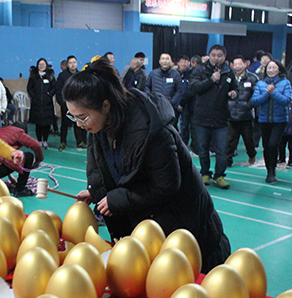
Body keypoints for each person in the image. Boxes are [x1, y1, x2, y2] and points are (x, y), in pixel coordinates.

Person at [62, 58, 231, 273]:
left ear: (105, 105)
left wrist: (118, 199)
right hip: (151, 232)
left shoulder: (152, 130)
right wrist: (98, 192)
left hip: (187, 234)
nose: (78, 124)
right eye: (73, 117)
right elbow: (120, 173)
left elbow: (166, 185)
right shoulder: (100, 128)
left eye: (82, 117)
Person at [189, 44, 238, 189]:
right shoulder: (199, 70)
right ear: (209, 56)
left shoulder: (228, 72)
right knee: (203, 148)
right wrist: (211, 80)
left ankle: (219, 176)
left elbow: (235, 87)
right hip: (201, 117)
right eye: (213, 55)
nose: (216, 58)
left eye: (219, 56)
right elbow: (194, 88)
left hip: (221, 118)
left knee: (222, 150)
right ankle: (205, 173)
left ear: (224, 57)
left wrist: (234, 93)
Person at [251, 59, 292, 183]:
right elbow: (255, 101)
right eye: (269, 68)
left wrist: (273, 93)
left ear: (279, 69)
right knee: (266, 146)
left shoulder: (285, 83)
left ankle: (273, 169)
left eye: (274, 68)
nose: (271, 70)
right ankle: (269, 170)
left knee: (273, 144)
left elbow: (287, 100)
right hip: (264, 120)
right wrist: (267, 94)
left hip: (280, 120)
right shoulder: (261, 84)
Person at [0, 123, 44, 197]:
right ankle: (20, 190)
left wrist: (11, 177)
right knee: (28, 156)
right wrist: (38, 160)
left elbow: (2, 154)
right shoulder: (19, 132)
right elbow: (36, 146)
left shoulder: (1, 130)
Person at [227, 55, 258, 167]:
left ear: (245, 64)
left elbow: (256, 94)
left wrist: (248, 105)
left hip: (246, 115)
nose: (237, 67)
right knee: (230, 140)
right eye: (235, 64)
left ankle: (252, 156)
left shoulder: (252, 78)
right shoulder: (228, 77)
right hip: (231, 114)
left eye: (239, 64)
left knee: (248, 140)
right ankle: (227, 161)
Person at [56, 55, 87, 151]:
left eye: (74, 62)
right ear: (67, 64)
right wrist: (62, 102)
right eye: (70, 63)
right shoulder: (62, 76)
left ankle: (80, 142)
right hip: (66, 104)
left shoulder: (80, 75)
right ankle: (63, 142)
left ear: (77, 63)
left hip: (78, 105)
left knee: (78, 123)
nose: (72, 64)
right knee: (64, 124)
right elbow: (58, 90)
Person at [27, 58, 57, 149]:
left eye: (43, 64)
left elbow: (54, 87)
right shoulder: (34, 76)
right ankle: (39, 141)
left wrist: (49, 94)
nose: (42, 66)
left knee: (47, 124)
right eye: (40, 64)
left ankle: (45, 141)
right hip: (36, 104)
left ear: (46, 65)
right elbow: (29, 88)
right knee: (38, 124)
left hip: (47, 104)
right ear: (37, 66)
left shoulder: (50, 76)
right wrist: (34, 96)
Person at [145, 53, 183, 123]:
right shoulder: (153, 73)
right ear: (159, 61)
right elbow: (147, 86)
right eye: (163, 59)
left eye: (167, 59)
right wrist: (150, 98)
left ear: (170, 62)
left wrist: (172, 102)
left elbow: (179, 90)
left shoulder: (176, 74)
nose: (165, 61)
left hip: (170, 107)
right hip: (155, 106)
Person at [178, 55, 198, 155]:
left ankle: (194, 148)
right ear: (178, 63)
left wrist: (183, 102)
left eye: (186, 62)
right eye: (182, 62)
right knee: (183, 126)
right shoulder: (175, 74)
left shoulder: (192, 74)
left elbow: (191, 90)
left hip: (191, 104)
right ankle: (183, 145)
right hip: (177, 103)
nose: (184, 64)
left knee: (192, 127)